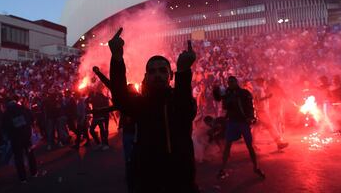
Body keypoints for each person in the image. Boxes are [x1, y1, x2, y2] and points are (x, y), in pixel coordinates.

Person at [109, 27, 199, 193]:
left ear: (171, 76)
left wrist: (184, 72)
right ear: (146, 76)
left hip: (181, 182)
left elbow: (184, 110)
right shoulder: (140, 103)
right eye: (152, 71)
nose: (157, 74)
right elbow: (120, 97)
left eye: (162, 70)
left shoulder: (181, 99)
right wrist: (116, 58)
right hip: (148, 182)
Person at [213, 76, 265, 179]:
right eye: (229, 82)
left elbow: (251, 106)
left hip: (242, 122)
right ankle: (222, 169)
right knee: (227, 145)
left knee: (249, 146)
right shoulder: (227, 93)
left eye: (232, 81)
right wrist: (215, 90)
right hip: (232, 122)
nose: (230, 83)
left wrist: (252, 117)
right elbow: (218, 98)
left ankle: (256, 167)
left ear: (236, 82)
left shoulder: (244, 93)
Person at [2, 97, 38, 183]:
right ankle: (34, 172)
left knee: (18, 157)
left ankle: (22, 177)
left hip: (15, 139)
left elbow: (4, 127)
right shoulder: (23, 108)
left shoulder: (6, 113)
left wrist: (7, 137)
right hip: (26, 136)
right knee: (30, 154)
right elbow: (32, 118)